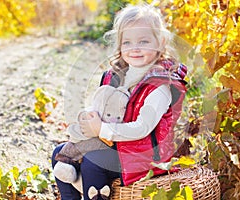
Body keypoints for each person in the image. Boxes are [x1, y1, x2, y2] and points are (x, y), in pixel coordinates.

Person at [52, 3, 187, 200]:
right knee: (60, 154)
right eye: (127, 42)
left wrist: (101, 130)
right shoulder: (118, 75)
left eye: (143, 41)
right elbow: (106, 107)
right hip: (118, 144)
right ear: (119, 44)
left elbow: (142, 128)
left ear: (161, 42)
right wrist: (91, 118)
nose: (135, 49)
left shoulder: (160, 85)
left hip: (145, 155)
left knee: (93, 162)